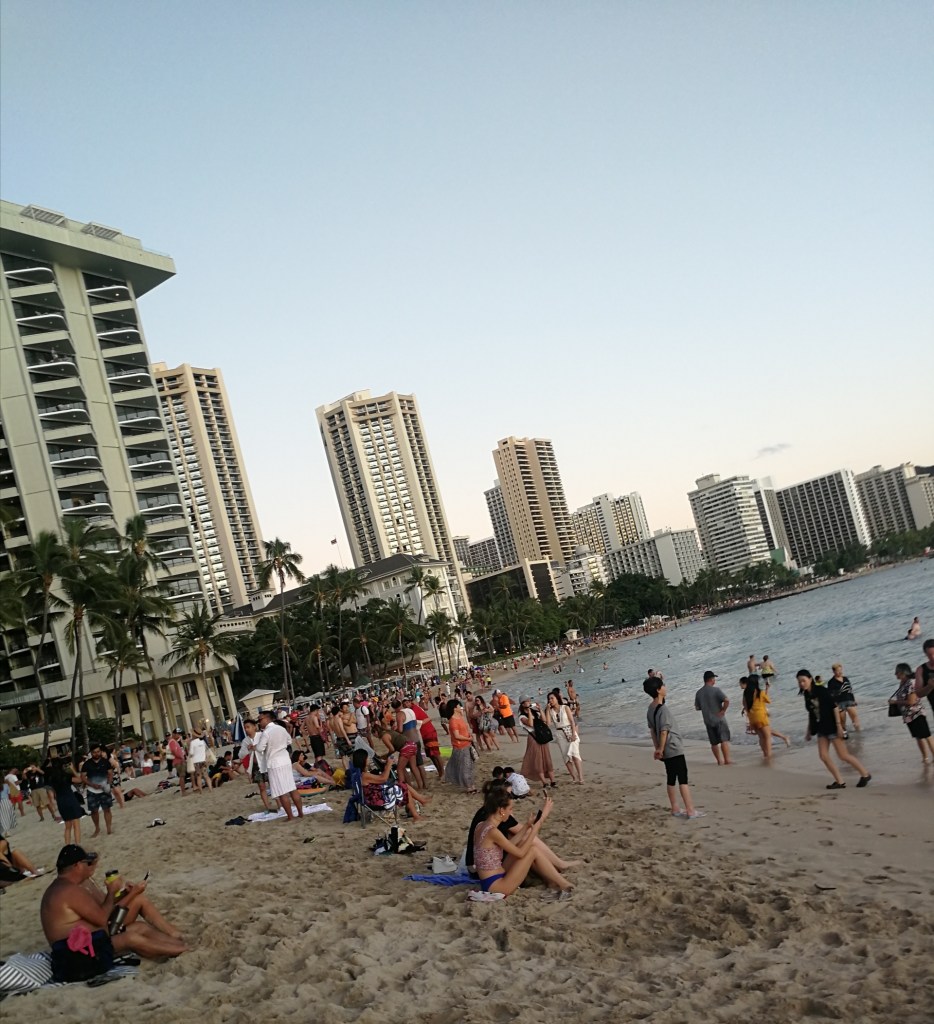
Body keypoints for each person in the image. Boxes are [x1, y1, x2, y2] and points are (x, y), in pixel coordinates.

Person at [40, 845, 186, 980]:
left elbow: (101, 909)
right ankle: (181, 950)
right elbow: (103, 918)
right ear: (77, 865)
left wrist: (122, 894)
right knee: (131, 937)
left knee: (140, 927)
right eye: (87, 863)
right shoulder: (69, 891)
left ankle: (176, 944)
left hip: (85, 943)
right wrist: (115, 892)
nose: (90, 866)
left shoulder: (64, 887)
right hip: (75, 954)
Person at [465, 779, 579, 885]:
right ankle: (558, 868)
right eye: (509, 795)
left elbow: (516, 836)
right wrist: (543, 815)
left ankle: (554, 872)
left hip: (479, 867)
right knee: (528, 842)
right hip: (487, 873)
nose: (511, 798)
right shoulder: (496, 819)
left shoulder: (486, 813)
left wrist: (528, 825)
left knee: (522, 840)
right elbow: (524, 842)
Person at [796, 670, 871, 789]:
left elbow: (835, 707)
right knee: (823, 755)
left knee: (843, 755)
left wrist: (839, 726)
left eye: (803, 681)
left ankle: (865, 774)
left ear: (810, 679)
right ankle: (840, 781)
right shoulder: (807, 695)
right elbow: (812, 714)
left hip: (832, 727)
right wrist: (808, 731)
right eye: (799, 681)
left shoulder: (821, 691)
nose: (801, 683)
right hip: (821, 728)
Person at [645, 677, 703, 818]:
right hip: (673, 747)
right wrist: (661, 748)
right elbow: (664, 730)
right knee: (682, 778)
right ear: (658, 690)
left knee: (671, 778)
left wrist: (658, 748)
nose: (665, 687)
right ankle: (690, 810)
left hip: (664, 748)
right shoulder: (663, 709)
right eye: (663, 685)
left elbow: (653, 731)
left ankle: (675, 808)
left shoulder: (650, 709)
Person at [350, 749, 431, 820]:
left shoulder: (361, 774)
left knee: (401, 785)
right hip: (376, 800)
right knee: (403, 787)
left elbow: (379, 780)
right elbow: (383, 779)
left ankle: (421, 801)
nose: (368, 760)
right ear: (363, 760)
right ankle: (417, 813)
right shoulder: (365, 775)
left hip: (374, 796)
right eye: (367, 758)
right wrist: (388, 765)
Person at [256, 709, 303, 821]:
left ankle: (290, 816)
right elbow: (289, 741)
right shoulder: (281, 728)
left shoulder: (266, 732)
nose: (259, 722)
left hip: (275, 762)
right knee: (291, 787)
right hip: (285, 759)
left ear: (267, 718)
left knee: (281, 791)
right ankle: (300, 813)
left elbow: (259, 748)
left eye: (260, 719)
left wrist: (267, 747)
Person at [890, 662, 934, 764]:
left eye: (897, 672)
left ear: (902, 672)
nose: (895, 674)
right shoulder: (903, 683)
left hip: (917, 713)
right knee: (918, 737)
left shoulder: (911, 683)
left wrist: (895, 702)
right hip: (908, 716)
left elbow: (911, 701)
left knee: (926, 735)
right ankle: (925, 758)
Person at [743, 674, 791, 759]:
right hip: (761, 716)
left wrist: (750, 720)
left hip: (752, 718)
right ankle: (769, 755)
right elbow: (768, 700)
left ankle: (765, 754)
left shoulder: (745, 694)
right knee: (768, 736)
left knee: (761, 737)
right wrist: (766, 689)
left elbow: (745, 707)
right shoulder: (759, 692)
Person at [693, 670, 733, 766]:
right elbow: (726, 700)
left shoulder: (699, 693)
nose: (714, 680)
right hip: (719, 719)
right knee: (723, 740)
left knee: (714, 742)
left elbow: (697, 707)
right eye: (714, 678)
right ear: (711, 679)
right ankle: (727, 760)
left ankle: (719, 761)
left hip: (708, 720)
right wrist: (723, 710)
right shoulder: (716, 690)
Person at [519, 700, 556, 789]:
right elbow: (530, 724)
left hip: (542, 737)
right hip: (534, 738)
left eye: (529, 701)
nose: (529, 703)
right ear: (523, 704)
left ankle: (553, 781)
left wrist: (540, 710)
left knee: (547, 758)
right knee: (538, 760)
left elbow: (544, 720)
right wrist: (530, 712)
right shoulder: (522, 716)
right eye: (526, 702)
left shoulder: (535, 712)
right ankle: (544, 782)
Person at [546, 692, 583, 783]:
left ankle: (581, 778)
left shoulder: (565, 707)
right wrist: (547, 710)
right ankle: (574, 777)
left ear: (557, 698)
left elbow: (572, 721)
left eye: (552, 698)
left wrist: (574, 734)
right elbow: (548, 723)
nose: (550, 700)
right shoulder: (550, 711)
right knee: (566, 757)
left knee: (575, 754)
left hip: (570, 731)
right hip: (559, 734)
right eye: (549, 699)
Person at [240, 718, 274, 812]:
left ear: (254, 727)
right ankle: (268, 806)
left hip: (266, 763)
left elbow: (268, 746)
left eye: (248, 727)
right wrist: (247, 749)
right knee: (261, 786)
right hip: (255, 766)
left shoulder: (262, 735)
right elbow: (241, 755)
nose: (247, 729)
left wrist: (256, 747)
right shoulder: (245, 741)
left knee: (272, 784)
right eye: (245, 728)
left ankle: (279, 803)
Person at [444, 700, 476, 794]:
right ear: (455, 708)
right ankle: (469, 787)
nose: (460, 707)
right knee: (465, 767)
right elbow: (456, 736)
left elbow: (465, 729)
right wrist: (468, 739)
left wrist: (469, 736)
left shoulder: (459, 717)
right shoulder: (453, 721)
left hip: (467, 744)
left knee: (469, 766)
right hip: (460, 746)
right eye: (459, 705)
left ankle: (471, 785)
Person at [81, 744, 114, 837]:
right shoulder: (87, 764)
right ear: (91, 753)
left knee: (107, 809)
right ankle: (97, 828)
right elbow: (82, 777)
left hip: (104, 788)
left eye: (98, 751)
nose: (96, 754)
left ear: (100, 751)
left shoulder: (106, 762)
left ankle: (109, 828)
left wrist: (109, 783)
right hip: (92, 790)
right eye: (94, 752)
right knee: (94, 811)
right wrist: (92, 785)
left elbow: (110, 773)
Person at [827, 664, 861, 736]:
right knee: (842, 722)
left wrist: (854, 700)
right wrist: (834, 704)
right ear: (833, 671)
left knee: (855, 717)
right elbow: (830, 695)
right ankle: (845, 736)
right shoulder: (831, 682)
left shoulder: (845, 679)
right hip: (839, 703)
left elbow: (850, 689)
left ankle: (859, 734)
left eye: (840, 670)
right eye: (838, 671)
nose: (840, 672)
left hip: (850, 700)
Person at [914, 639, 934, 715]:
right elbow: (918, 694)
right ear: (925, 654)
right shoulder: (921, 670)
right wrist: (929, 687)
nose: (932, 657)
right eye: (929, 655)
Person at [187, 730, 209, 794]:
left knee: (198, 776)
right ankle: (210, 788)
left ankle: (200, 790)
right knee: (206, 775)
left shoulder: (192, 742)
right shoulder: (202, 741)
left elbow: (191, 752)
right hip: (203, 759)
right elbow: (205, 749)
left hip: (196, 760)